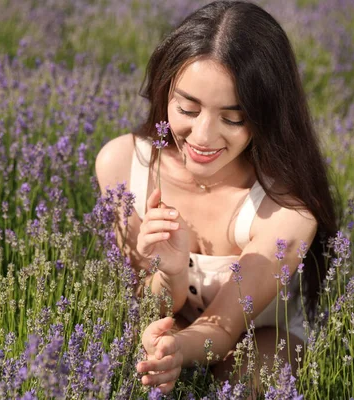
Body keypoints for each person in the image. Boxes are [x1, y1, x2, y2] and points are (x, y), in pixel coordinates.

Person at [94, 0, 338, 394]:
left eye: (233, 118)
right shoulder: (123, 166)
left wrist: (176, 349)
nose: (203, 137)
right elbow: (142, 306)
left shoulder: (285, 212)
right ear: (164, 92)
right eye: (187, 108)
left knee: (243, 375)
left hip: (260, 336)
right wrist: (170, 272)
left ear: (266, 116)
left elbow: (224, 330)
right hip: (168, 325)